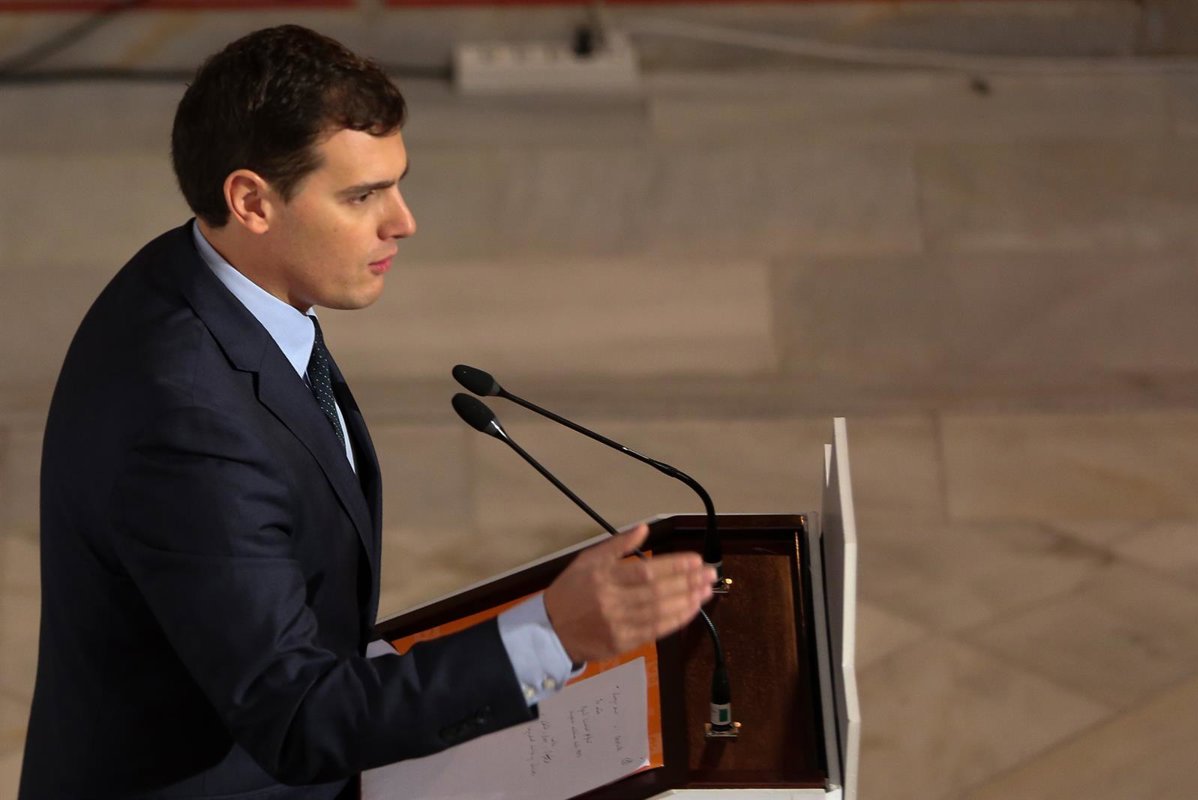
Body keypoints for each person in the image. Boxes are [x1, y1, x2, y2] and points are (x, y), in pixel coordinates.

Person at [19, 25, 715, 800]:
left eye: (396, 184)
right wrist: (549, 638)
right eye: (362, 196)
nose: (402, 221)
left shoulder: (201, 278)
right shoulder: (188, 423)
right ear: (251, 201)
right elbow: (297, 718)